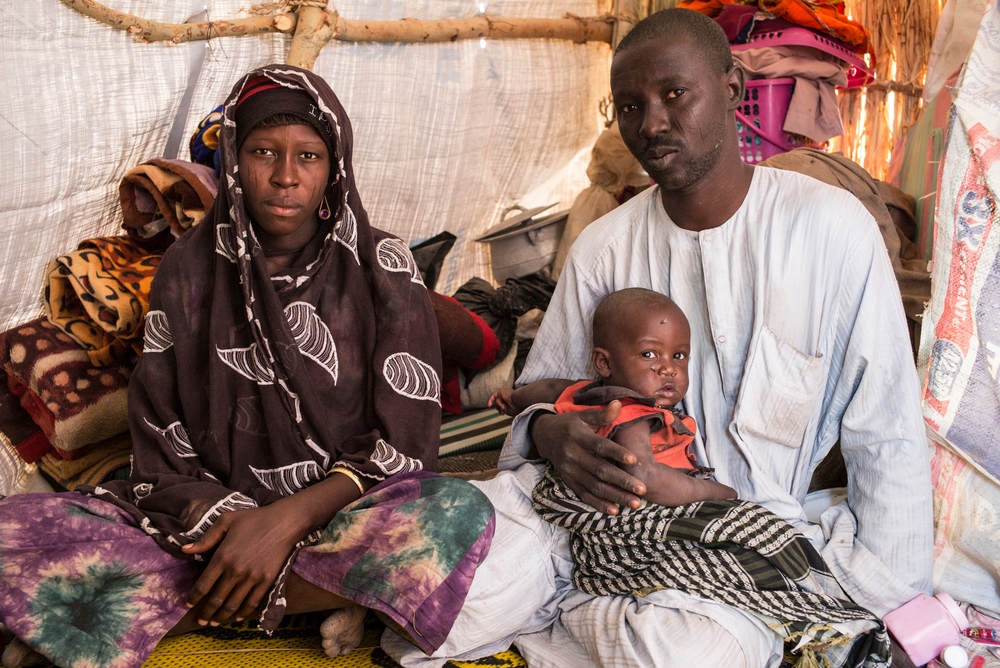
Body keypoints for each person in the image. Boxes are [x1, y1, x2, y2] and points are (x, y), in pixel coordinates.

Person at [383, 9, 931, 668]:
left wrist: (896, 599)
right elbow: (546, 400)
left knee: (686, 655)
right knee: (441, 598)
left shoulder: (829, 230)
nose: (651, 123)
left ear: (731, 88)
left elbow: (888, 429)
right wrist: (551, 434)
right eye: (630, 105)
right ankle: (587, 613)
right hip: (594, 522)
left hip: (739, 537)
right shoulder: (604, 247)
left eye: (675, 93)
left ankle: (594, 622)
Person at [0, 65, 496, 668]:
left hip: (340, 509)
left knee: (453, 513)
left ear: (335, 163)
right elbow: (160, 436)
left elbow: (406, 442)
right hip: (205, 522)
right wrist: (234, 524)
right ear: (234, 157)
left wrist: (281, 524)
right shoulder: (188, 269)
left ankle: (164, 613)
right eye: (264, 151)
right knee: (12, 529)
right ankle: (303, 595)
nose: (286, 177)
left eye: (309, 156)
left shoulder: (380, 264)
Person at [488, 288, 736, 506]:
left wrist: (513, 398)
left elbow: (550, 388)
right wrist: (717, 491)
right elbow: (645, 475)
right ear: (604, 362)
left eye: (679, 356)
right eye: (649, 354)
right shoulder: (631, 411)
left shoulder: (588, 391)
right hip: (637, 502)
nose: (669, 369)